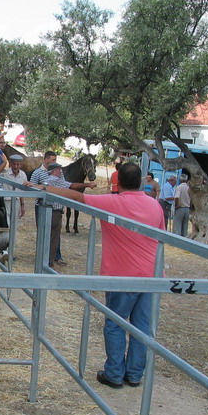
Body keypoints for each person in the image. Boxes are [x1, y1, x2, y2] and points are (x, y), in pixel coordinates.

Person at [32, 162, 165, 388]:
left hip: (122, 275)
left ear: (118, 182)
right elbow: (162, 237)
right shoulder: (155, 206)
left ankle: (113, 373)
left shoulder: (113, 202)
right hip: (152, 275)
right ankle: (134, 374)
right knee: (142, 326)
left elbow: (77, 197)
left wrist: (44, 188)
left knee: (115, 323)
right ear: (141, 181)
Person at [27, 162, 97, 268]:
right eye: (59, 169)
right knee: (54, 237)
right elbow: (73, 186)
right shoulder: (56, 181)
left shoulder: (46, 181)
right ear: (54, 171)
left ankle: (41, 258)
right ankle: (49, 261)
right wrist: (88, 184)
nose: (60, 171)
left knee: (43, 235)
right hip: (55, 212)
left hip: (43, 210)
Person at [4, 153, 28, 222]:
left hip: (17, 201)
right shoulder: (5, 174)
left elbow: (22, 192)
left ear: (21, 165)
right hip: (6, 201)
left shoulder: (23, 175)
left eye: (18, 164)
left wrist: (22, 205)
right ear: (11, 164)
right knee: (7, 221)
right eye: (14, 164)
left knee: (15, 222)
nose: (16, 166)